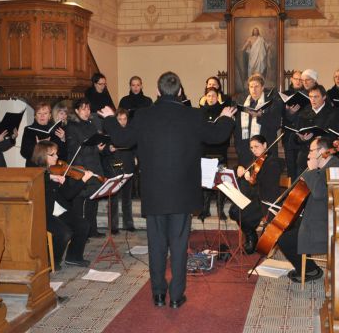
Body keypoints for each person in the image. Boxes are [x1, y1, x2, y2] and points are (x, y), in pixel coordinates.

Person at [99, 71, 236, 309]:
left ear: (157, 92)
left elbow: (122, 139)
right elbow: (217, 135)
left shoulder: (143, 115)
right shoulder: (193, 115)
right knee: (179, 246)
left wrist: (111, 118)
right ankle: (176, 296)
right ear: (180, 92)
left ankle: (159, 294)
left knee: (157, 246)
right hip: (183, 194)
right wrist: (225, 117)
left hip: (154, 194)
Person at [277, 137, 339, 283]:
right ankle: (308, 267)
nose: (308, 155)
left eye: (311, 151)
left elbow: (319, 193)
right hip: (318, 217)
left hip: (326, 224)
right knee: (285, 227)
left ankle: (310, 270)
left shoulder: (336, 169)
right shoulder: (329, 165)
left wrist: (313, 170)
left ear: (322, 151)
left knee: (284, 240)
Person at [32, 141, 91, 270]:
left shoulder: (56, 170)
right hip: (43, 212)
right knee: (64, 232)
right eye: (52, 154)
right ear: (42, 155)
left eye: (56, 153)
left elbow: (68, 195)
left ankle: (73, 257)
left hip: (57, 210)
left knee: (83, 224)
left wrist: (82, 181)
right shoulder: (35, 171)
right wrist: (51, 177)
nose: (57, 157)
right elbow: (36, 178)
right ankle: (52, 261)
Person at [233, 135, 283, 254]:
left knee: (240, 212)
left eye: (256, 146)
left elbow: (268, 184)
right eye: (251, 148)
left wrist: (253, 179)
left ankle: (253, 238)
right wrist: (239, 168)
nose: (254, 150)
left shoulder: (273, 161)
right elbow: (241, 166)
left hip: (266, 200)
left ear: (265, 145)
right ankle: (251, 235)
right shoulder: (255, 160)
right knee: (234, 211)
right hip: (255, 197)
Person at [66, 98, 107, 237]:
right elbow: (74, 148)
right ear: (77, 111)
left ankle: (92, 230)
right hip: (80, 168)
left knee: (93, 200)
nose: (87, 111)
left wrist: (100, 147)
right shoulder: (71, 126)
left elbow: (93, 144)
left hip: (93, 166)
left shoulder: (91, 125)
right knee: (78, 202)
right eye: (83, 109)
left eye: (88, 108)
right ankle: (79, 233)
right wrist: (94, 148)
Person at [234, 74, 281, 167]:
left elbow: (276, 124)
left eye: (256, 86)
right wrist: (239, 147)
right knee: (246, 175)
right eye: (251, 86)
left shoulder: (271, 102)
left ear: (262, 87)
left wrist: (260, 116)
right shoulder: (243, 103)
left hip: (265, 148)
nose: (254, 89)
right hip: (246, 149)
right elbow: (237, 128)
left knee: (265, 174)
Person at [102, 108, 137, 233]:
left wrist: (135, 157)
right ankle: (113, 226)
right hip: (114, 167)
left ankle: (128, 224)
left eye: (124, 119)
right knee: (114, 199)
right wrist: (109, 149)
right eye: (119, 119)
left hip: (128, 166)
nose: (122, 122)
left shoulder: (130, 132)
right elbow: (102, 151)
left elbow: (135, 147)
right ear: (115, 120)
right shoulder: (110, 132)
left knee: (127, 198)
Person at [295, 84, 339, 173]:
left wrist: (323, 139)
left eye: (316, 97)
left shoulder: (334, 113)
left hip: (324, 158)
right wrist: (302, 139)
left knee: (320, 181)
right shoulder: (303, 113)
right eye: (310, 97)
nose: (313, 100)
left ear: (324, 97)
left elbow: (337, 137)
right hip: (305, 157)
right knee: (303, 181)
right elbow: (296, 137)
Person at [199, 87, 230, 221]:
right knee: (206, 182)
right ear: (205, 97)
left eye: (214, 96)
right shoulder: (200, 112)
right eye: (209, 96)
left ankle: (220, 210)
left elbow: (228, 128)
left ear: (218, 98)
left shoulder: (223, 111)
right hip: (205, 151)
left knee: (220, 182)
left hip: (220, 151)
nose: (211, 98)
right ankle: (205, 209)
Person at [20, 102, 66, 166]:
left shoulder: (55, 129)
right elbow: (24, 152)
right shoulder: (29, 130)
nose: (42, 116)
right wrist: (37, 145)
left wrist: (63, 139)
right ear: (35, 116)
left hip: (53, 167)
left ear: (49, 116)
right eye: (39, 113)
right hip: (34, 167)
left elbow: (62, 154)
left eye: (45, 113)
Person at [282, 70, 305, 182]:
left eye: (301, 79)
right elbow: (280, 115)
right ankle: (291, 191)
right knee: (291, 168)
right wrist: (289, 112)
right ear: (291, 80)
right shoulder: (285, 95)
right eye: (296, 79)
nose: (298, 81)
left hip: (303, 136)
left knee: (302, 168)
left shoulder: (307, 94)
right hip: (289, 136)